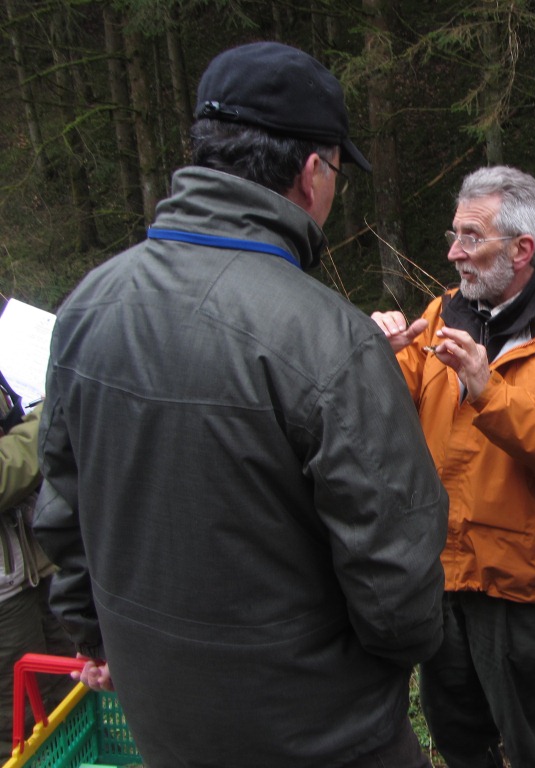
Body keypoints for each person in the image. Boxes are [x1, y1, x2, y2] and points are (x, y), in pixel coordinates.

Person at [32, 42, 448, 768]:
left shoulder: (88, 306)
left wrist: (95, 638)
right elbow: (398, 588)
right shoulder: (330, 341)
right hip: (325, 737)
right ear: (313, 171)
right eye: (338, 173)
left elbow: (63, 516)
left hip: (162, 722)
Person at [370, 165, 535, 767]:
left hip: (522, 592)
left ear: (522, 249)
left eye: (471, 238)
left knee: (534, 750)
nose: (454, 252)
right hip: (442, 580)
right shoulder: (440, 314)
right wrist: (372, 356)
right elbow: (380, 413)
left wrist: (488, 390)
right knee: (458, 745)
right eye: (455, 235)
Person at [1, 382, 74, 756]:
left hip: (35, 564)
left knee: (67, 704)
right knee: (18, 731)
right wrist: (50, 416)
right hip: (5, 598)